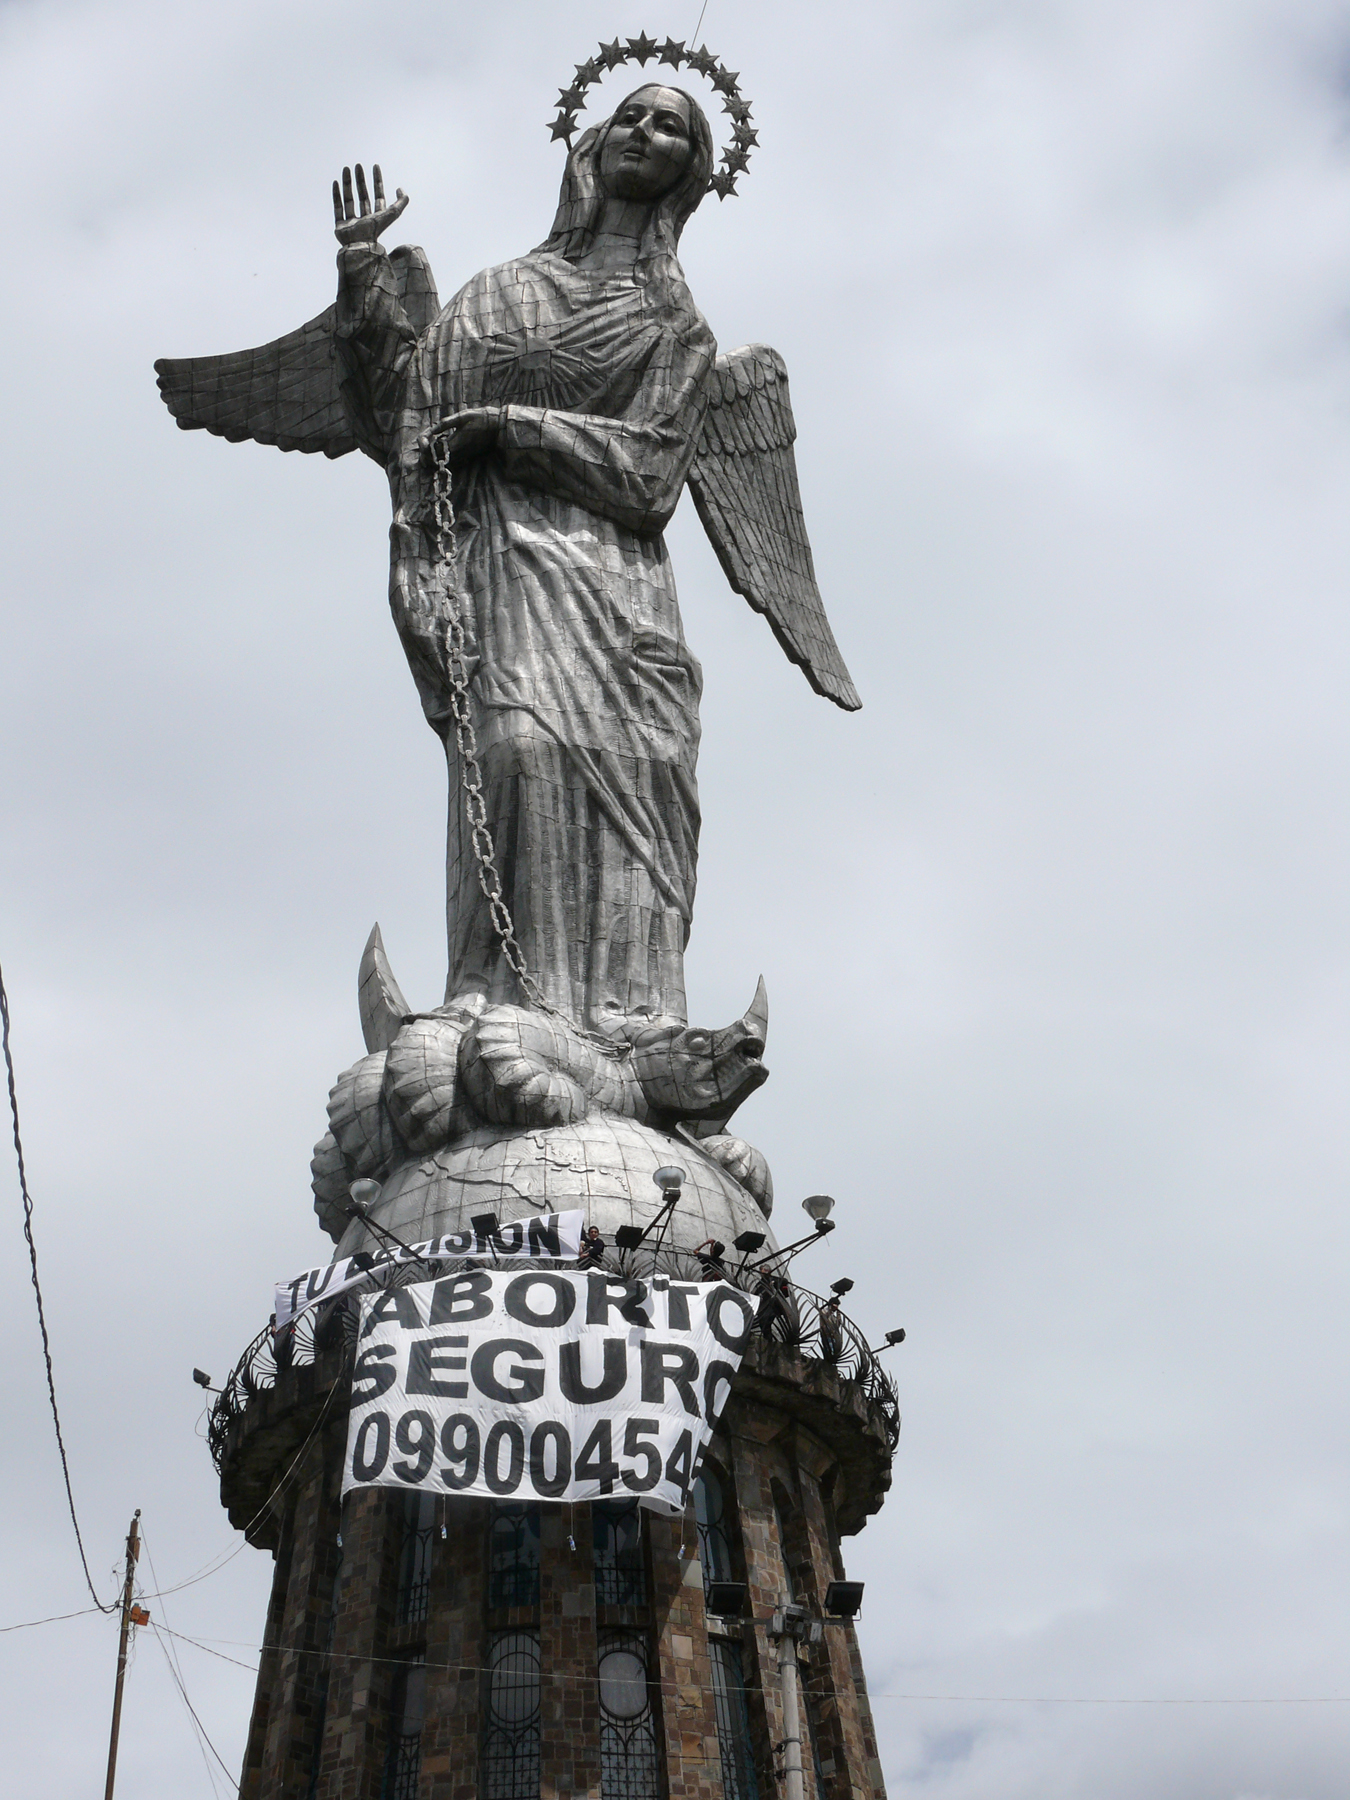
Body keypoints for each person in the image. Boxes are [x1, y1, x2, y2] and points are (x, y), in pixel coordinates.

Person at [331, 86, 717, 1034]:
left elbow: (652, 476)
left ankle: (635, 1015)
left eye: (670, 125)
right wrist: (364, 275)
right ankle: (498, 993)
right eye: (631, 115)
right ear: (595, 140)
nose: (644, 131)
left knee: (645, 769)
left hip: (618, 588)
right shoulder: (501, 291)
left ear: (692, 169)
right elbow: (408, 416)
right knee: (517, 751)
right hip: (505, 569)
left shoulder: (678, 328)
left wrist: (515, 426)